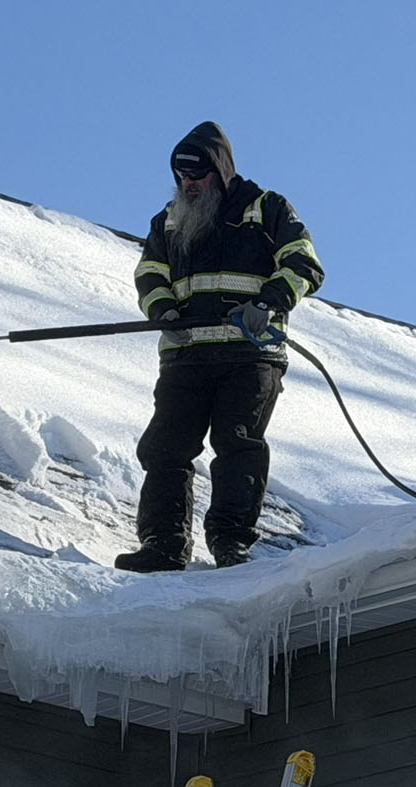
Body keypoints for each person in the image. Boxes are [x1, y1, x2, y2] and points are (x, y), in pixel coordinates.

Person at [115, 121, 325, 573]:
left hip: (250, 355)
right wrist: (164, 312)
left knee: (238, 445)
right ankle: (164, 545)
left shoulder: (267, 209)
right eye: (181, 178)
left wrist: (269, 304)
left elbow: (304, 264)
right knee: (166, 447)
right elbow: (150, 274)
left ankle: (231, 544)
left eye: (197, 176)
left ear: (221, 170)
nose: (189, 185)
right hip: (186, 355)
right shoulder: (168, 220)